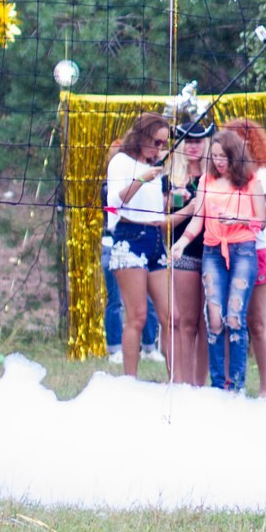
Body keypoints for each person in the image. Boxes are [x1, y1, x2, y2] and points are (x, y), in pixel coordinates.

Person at [195, 128, 266, 393]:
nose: (218, 161)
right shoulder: (206, 180)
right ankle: (217, 386)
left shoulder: (251, 182)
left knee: (235, 318)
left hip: (243, 251)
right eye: (214, 156)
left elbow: (261, 221)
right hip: (213, 250)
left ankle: (235, 386)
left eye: (223, 156)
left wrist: (237, 220)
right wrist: (180, 243)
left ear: (234, 155)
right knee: (214, 318)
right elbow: (197, 218)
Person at [103, 113, 174, 378]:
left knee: (170, 316)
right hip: (129, 237)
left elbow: (156, 209)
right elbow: (115, 202)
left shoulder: (154, 166)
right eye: (156, 142)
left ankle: (174, 380)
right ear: (142, 136)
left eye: (164, 144)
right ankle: (130, 380)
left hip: (156, 239)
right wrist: (143, 178)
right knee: (138, 315)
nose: (160, 149)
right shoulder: (122, 162)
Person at [221, 117, 266, 397]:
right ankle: (228, 382)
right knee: (228, 318)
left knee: (256, 320)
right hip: (225, 247)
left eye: (239, 138)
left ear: (250, 141)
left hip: (256, 248)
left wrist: (252, 210)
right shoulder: (222, 172)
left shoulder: (264, 176)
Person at [164, 117, 215, 386]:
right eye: (188, 141)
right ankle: (182, 382)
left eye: (198, 141)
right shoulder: (171, 177)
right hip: (183, 251)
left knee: (207, 322)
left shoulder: (216, 174)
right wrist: (181, 199)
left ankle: (199, 383)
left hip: (213, 251)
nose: (193, 147)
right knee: (186, 320)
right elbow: (163, 213)